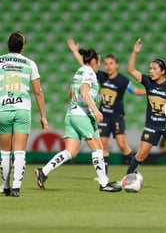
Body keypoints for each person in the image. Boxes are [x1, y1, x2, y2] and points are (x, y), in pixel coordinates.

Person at [34, 46, 121, 192]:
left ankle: (43, 172)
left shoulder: (79, 72)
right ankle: (104, 183)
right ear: (93, 61)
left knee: (70, 152)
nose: (99, 64)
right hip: (82, 115)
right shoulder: (90, 73)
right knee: (98, 148)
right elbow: (84, 92)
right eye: (99, 61)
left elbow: (70, 93)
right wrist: (96, 110)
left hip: (71, 114)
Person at [67, 39, 145, 179]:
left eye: (111, 64)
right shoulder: (101, 76)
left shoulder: (122, 80)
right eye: (106, 63)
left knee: (122, 145)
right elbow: (86, 65)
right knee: (103, 145)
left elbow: (135, 91)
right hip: (104, 115)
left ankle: (134, 171)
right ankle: (105, 176)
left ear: (116, 65)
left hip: (117, 116)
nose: (108, 66)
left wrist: (150, 92)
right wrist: (74, 51)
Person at [0, 31, 49, 197]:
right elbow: (38, 92)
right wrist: (43, 116)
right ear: (23, 47)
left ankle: (6, 186)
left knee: (5, 152)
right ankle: (16, 188)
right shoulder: (30, 64)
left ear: (8, 45)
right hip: (22, 110)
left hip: (3, 110)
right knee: (19, 151)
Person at [125, 38, 166, 190]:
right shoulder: (148, 81)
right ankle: (126, 179)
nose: (151, 71)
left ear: (163, 71)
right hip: (152, 124)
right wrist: (134, 53)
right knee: (141, 154)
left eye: (155, 68)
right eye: (150, 68)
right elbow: (130, 70)